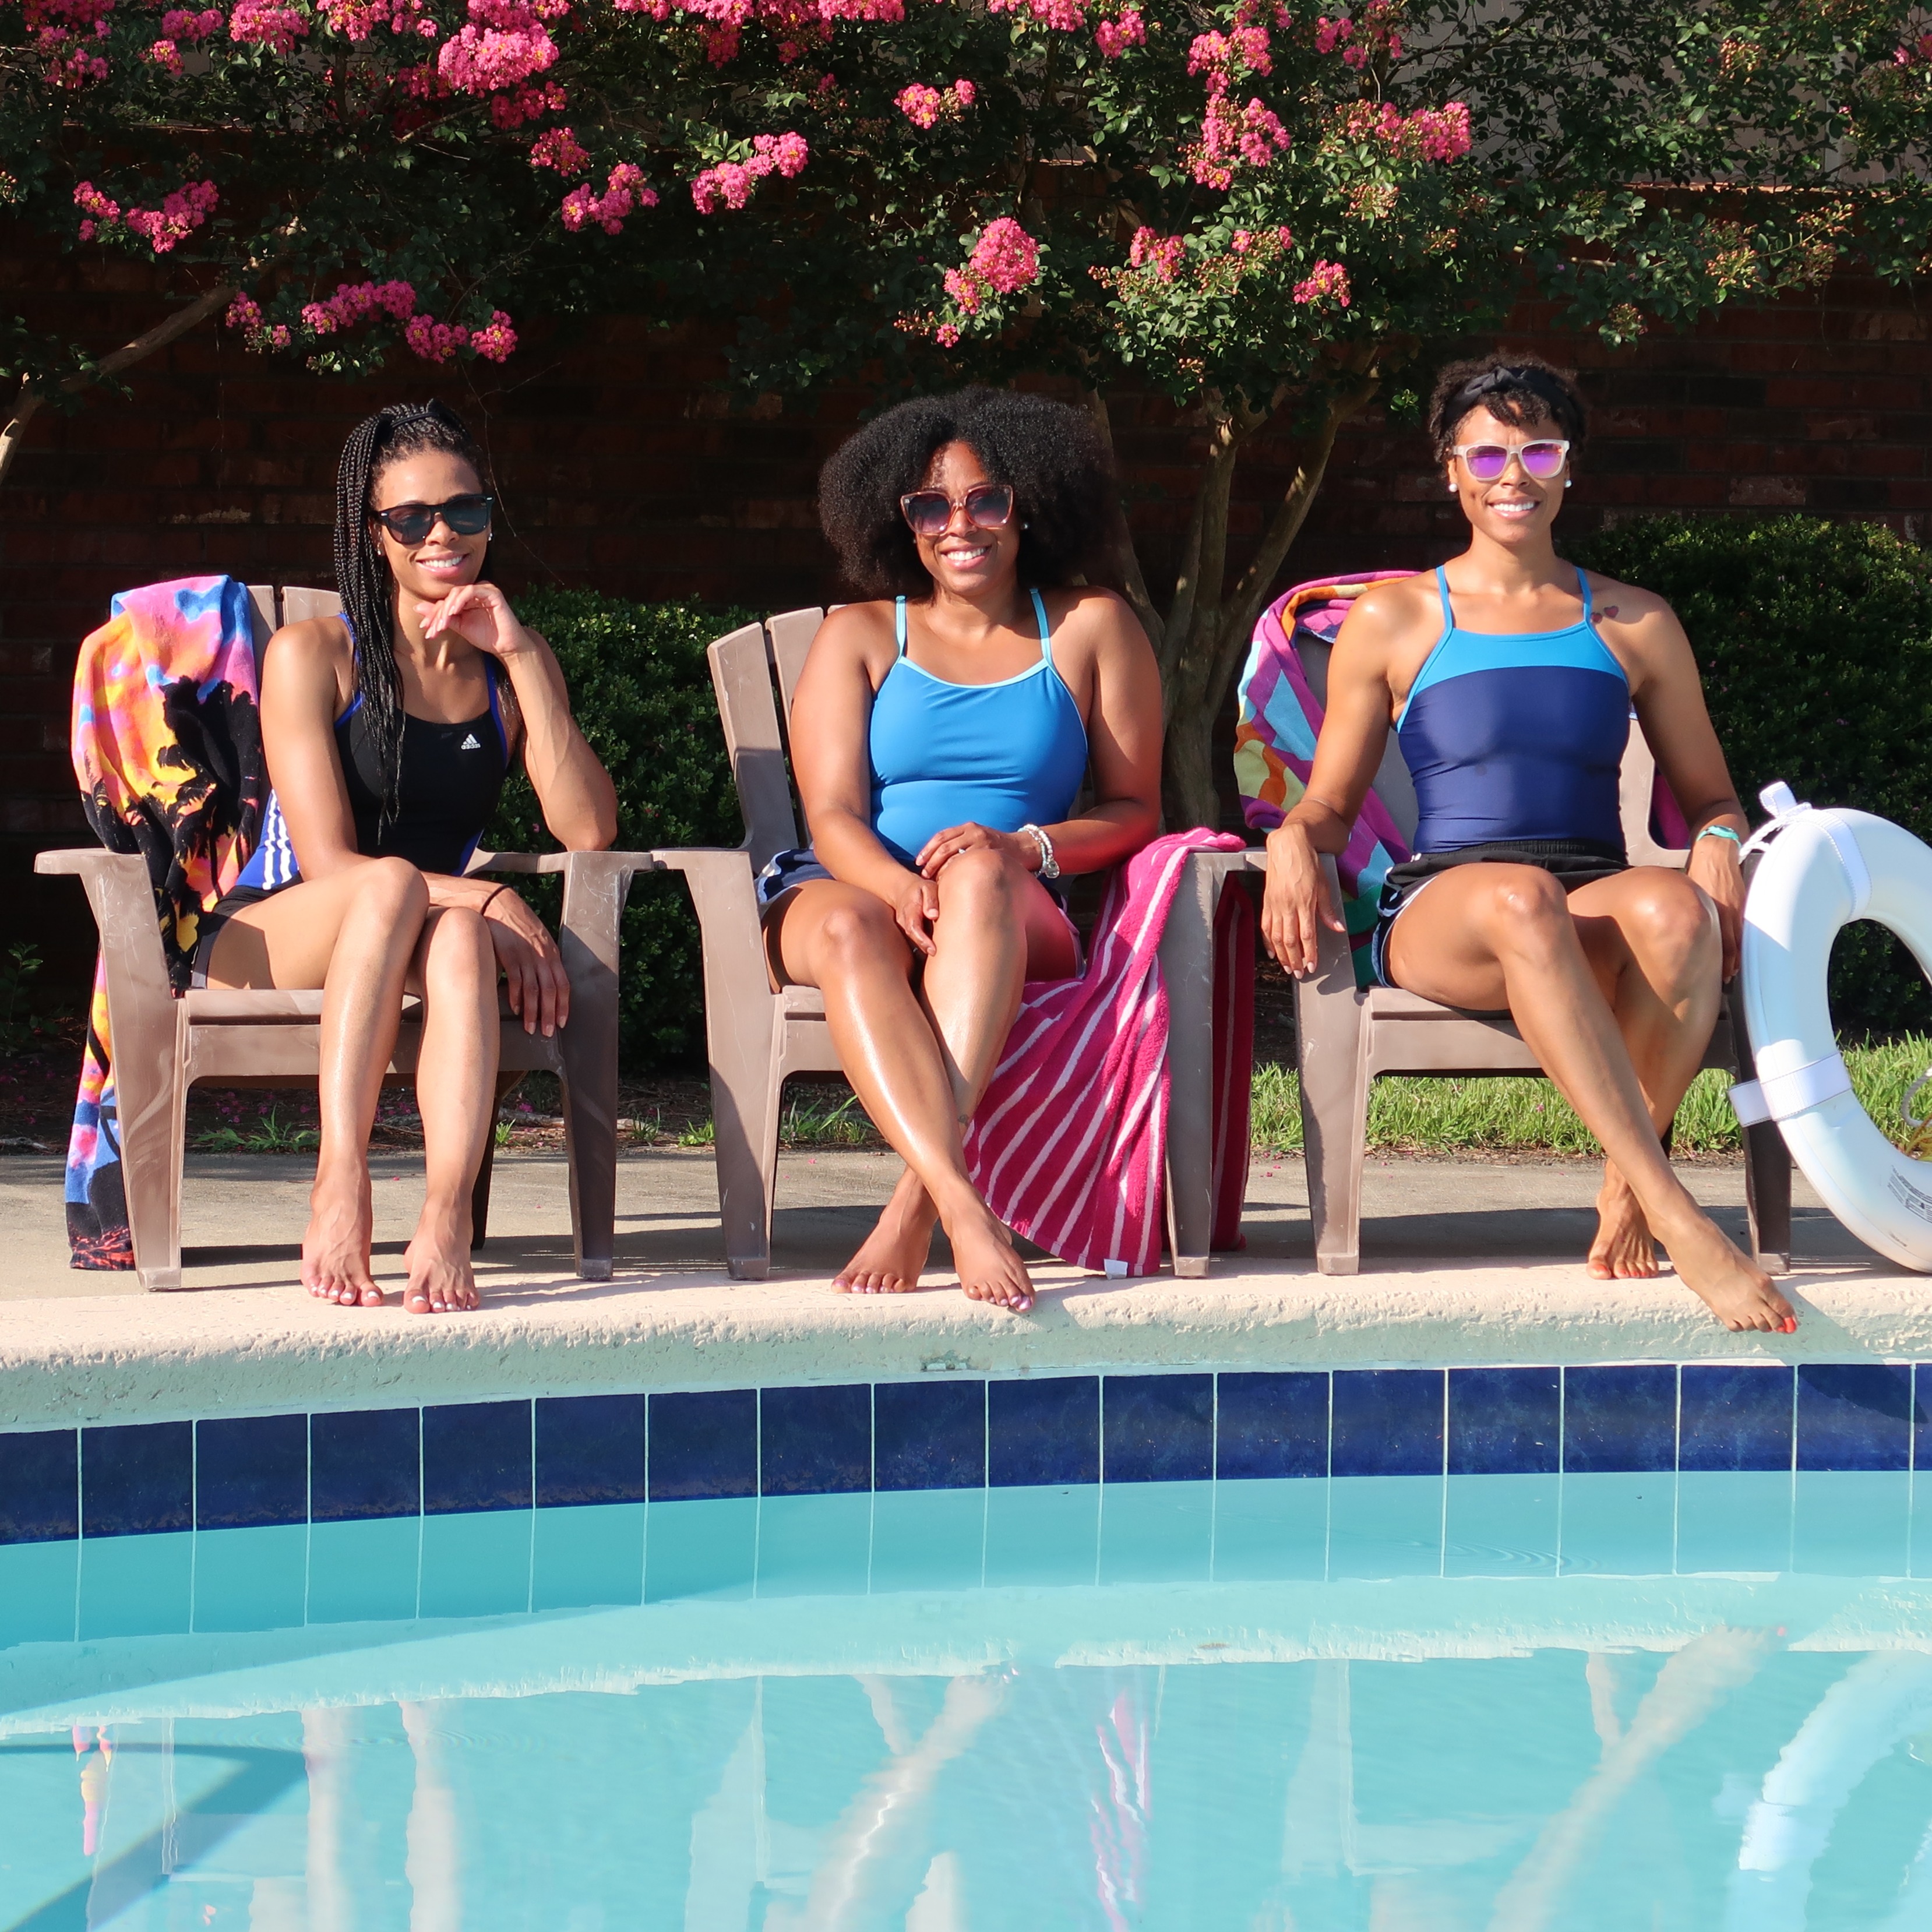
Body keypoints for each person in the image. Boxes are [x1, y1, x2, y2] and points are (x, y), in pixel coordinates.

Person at [1260, 354, 1797, 1334]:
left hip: (1589, 891)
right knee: (1521, 897)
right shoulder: (1397, 618)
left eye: (1539, 452)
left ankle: (1623, 1191)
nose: (1514, 474)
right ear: (1451, 472)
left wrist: (1720, 839)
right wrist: (1296, 836)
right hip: (1451, 904)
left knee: (1678, 912)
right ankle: (1673, 1207)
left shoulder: (1635, 621)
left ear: (1569, 468)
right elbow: (1330, 802)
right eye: (1488, 455)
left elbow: (1713, 797)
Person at [197, 401, 617, 1315]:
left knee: (457, 941)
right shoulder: (316, 653)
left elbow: (587, 829)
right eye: (411, 518)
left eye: (464, 511)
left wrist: (523, 657)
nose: (442, 535)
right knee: (399, 888)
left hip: (422, 933)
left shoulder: (507, 666)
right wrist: (486, 897)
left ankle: (444, 1215)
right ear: (371, 532)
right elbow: (328, 861)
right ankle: (340, 1181)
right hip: (269, 932)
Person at [770, 388, 1163, 1311]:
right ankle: (961, 1199)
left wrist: (1026, 846)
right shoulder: (861, 633)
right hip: (858, 885)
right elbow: (831, 815)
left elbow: (1136, 809)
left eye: (986, 500)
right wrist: (895, 886)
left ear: (1028, 506)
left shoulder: (1090, 625)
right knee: (847, 930)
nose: (960, 526)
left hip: (1012, 903)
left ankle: (918, 1202)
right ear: (899, 519)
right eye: (930, 506)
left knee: (979, 868)